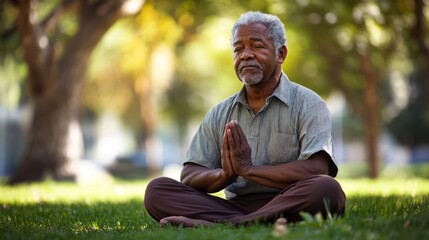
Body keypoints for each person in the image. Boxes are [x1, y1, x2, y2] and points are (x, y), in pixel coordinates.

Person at [144, 11, 346, 228]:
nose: (246, 55)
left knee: (327, 189)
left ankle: (221, 225)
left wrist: (249, 170)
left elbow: (317, 169)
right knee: (157, 190)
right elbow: (190, 174)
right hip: (235, 206)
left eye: (257, 46)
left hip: (291, 199)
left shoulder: (308, 103)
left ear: (281, 54)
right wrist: (224, 175)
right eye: (238, 49)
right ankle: (249, 222)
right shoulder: (220, 113)